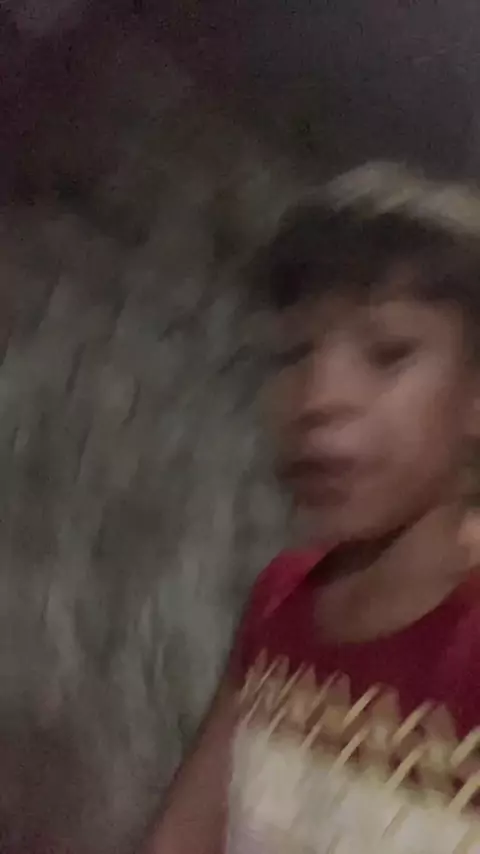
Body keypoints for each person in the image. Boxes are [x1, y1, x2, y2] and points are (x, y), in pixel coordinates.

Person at [144, 162, 480, 854]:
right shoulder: (281, 599)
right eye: (295, 354)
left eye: (388, 354)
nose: (318, 397)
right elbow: (184, 836)